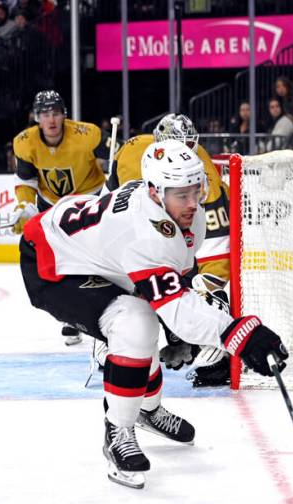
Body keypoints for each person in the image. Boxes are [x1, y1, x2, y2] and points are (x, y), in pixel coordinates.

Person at [18, 140, 288, 489]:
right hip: (52, 266)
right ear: (156, 193)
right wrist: (244, 336)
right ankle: (118, 430)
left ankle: (146, 409)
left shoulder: (184, 213)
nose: (193, 203)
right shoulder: (142, 233)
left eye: (197, 189)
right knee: (135, 322)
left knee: (142, 318)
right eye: (182, 195)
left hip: (98, 255)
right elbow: (179, 310)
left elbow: (177, 274)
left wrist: (180, 334)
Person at [107, 113, 234, 386]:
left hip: (191, 250)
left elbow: (215, 242)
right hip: (144, 243)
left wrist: (205, 296)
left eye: (190, 147)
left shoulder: (202, 177)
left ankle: (213, 353)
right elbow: (110, 201)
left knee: (200, 289)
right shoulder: (131, 152)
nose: (186, 155)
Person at [12, 90, 110, 346]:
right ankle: (74, 317)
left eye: (56, 113)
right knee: (63, 262)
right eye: (45, 115)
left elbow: (114, 162)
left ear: (64, 115)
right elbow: (26, 179)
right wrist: (24, 205)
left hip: (88, 201)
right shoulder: (24, 142)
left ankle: (111, 310)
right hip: (52, 205)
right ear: (37, 118)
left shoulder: (87, 135)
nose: (51, 120)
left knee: (96, 258)